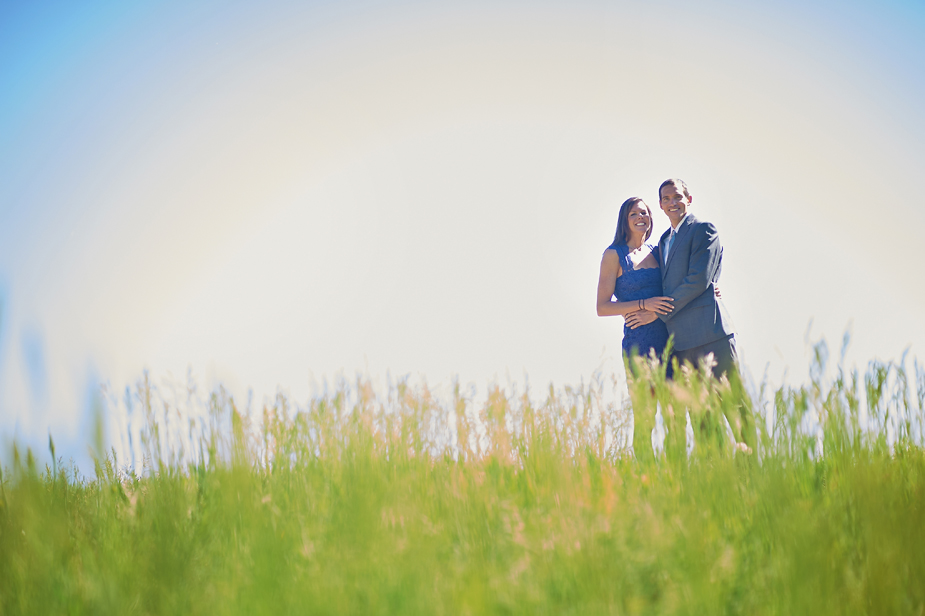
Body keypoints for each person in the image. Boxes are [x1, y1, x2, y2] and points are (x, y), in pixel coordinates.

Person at [628, 178, 756, 453]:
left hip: (711, 334)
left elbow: (699, 279)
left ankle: (755, 470)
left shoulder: (703, 230)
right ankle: (715, 476)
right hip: (682, 344)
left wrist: (657, 314)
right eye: (666, 199)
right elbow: (663, 284)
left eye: (677, 197)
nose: (672, 202)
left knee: (734, 404)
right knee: (702, 415)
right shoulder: (662, 241)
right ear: (660, 206)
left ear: (689, 199)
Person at [596, 197, 674, 463]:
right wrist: (642, 304)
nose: (641, 217)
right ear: (625, 220)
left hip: (671, 340)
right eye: (634, 213)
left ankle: (681, 479)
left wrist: (712, 288)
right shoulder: (613, 255)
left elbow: (678, 288)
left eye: (645, 212)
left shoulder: (659, 250)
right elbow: (602, 307)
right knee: (646, 415)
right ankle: (646, 478)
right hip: (639, 343)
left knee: (676, 415)